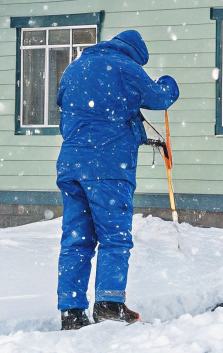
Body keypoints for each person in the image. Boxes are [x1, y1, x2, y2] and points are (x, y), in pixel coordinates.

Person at [55, 29, 179, 330]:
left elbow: (65, 111)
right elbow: (160, 98)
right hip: (108, 166)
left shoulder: (75, 68)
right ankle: (109, 305)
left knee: (76, 240)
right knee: (114, 237)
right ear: (135, 55)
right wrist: (168, 83)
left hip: (71, 165)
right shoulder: (125, 67)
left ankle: (71, 312)